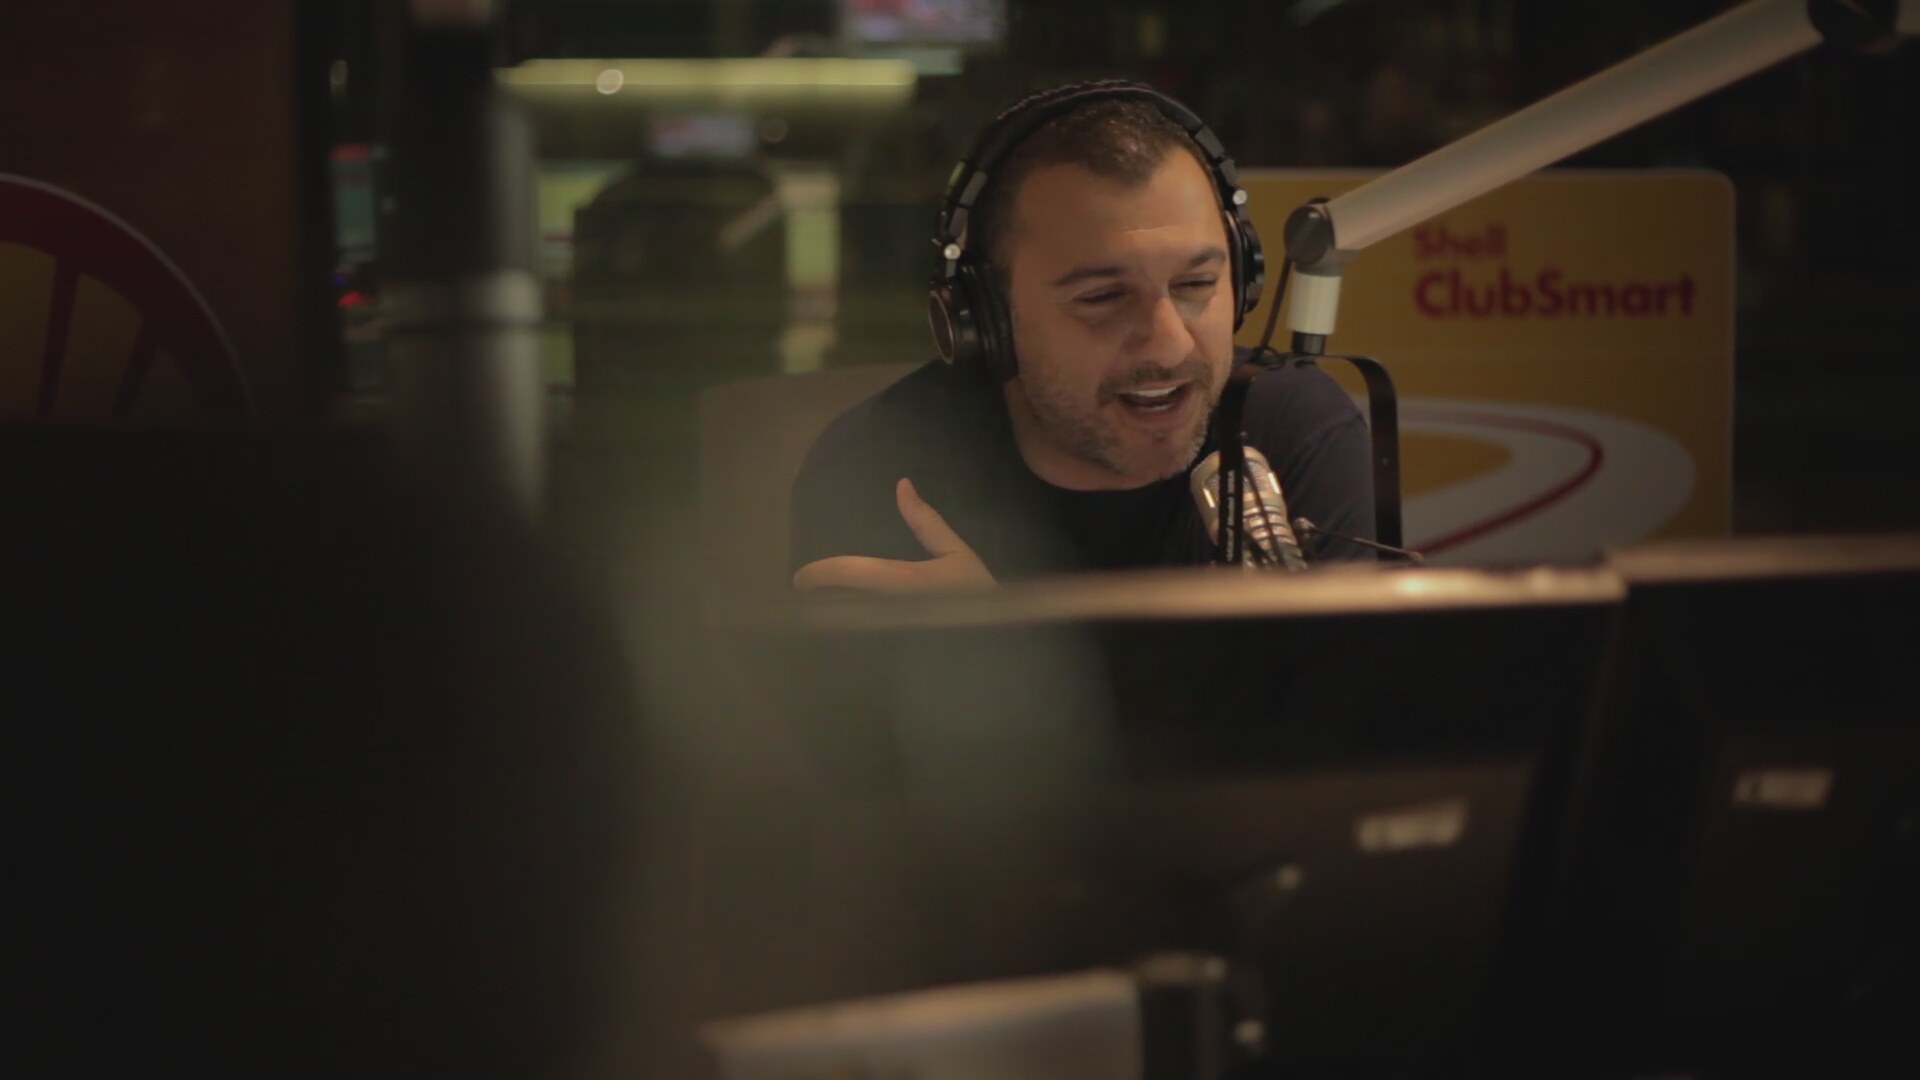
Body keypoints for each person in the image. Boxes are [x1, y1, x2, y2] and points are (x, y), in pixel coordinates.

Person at [790, 81, 1376, 592]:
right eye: (1102, 298)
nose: (1170, 346)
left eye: (1196, 284)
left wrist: (998, 649)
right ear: (987, 319)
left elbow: (1350, 688)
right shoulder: (881, 464)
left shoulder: (1292, 432)